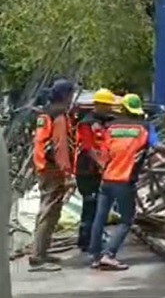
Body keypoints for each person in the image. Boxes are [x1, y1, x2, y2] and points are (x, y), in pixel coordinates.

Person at [89, 93, 165, 270]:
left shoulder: (111, 127)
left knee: (99, 218)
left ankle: (95, 256)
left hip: (107, 179)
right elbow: (158, 146)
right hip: (124, 181)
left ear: (122, 109)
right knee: (126, 220)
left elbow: (103, 151)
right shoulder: (145, 128)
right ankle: (109, 255)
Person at [29, 79, 76, 272]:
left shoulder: (44, 114)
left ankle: (42, 252)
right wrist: (67, 174)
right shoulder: (59, 116)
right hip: (53, 169)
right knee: (49, 212)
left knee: (47, 211)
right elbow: (61, 147)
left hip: (42, 167)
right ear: (66, 95)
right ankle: (38, 257)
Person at [73, 88, 118, 252]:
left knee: (98, 206)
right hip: (87, 171)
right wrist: (102, 164)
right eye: (107, 105)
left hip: (98, 171)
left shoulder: (105, 122)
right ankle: (86, 240)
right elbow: (88, 147)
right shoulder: (86, 123)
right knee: (90, 205)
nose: (110, 109)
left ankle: (92, 238)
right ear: (98, 105)